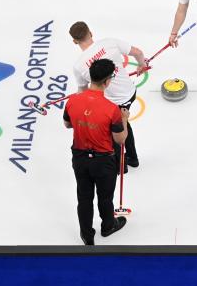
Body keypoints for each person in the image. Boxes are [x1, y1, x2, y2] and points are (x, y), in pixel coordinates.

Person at [63, 59, 129, 245]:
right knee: (105, 197)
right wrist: (124, 119)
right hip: (103, 161)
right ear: (108, 81)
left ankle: (86, 234)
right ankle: (108, 226)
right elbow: (120, 139)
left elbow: (67, 124)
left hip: (80, 158)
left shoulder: (73, 100)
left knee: (84, 197)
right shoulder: (112, 110)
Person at [69, 21, 148, 173]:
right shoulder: (109, 42)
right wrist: (141, 65)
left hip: (112, 105)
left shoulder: (79, 65)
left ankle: (121, 166)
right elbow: (138, 52)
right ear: (90, 33)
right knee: (124, 126)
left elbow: (83, 92)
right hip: (130, 93)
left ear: (74, 41)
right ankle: (132, 158)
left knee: (114, 135)